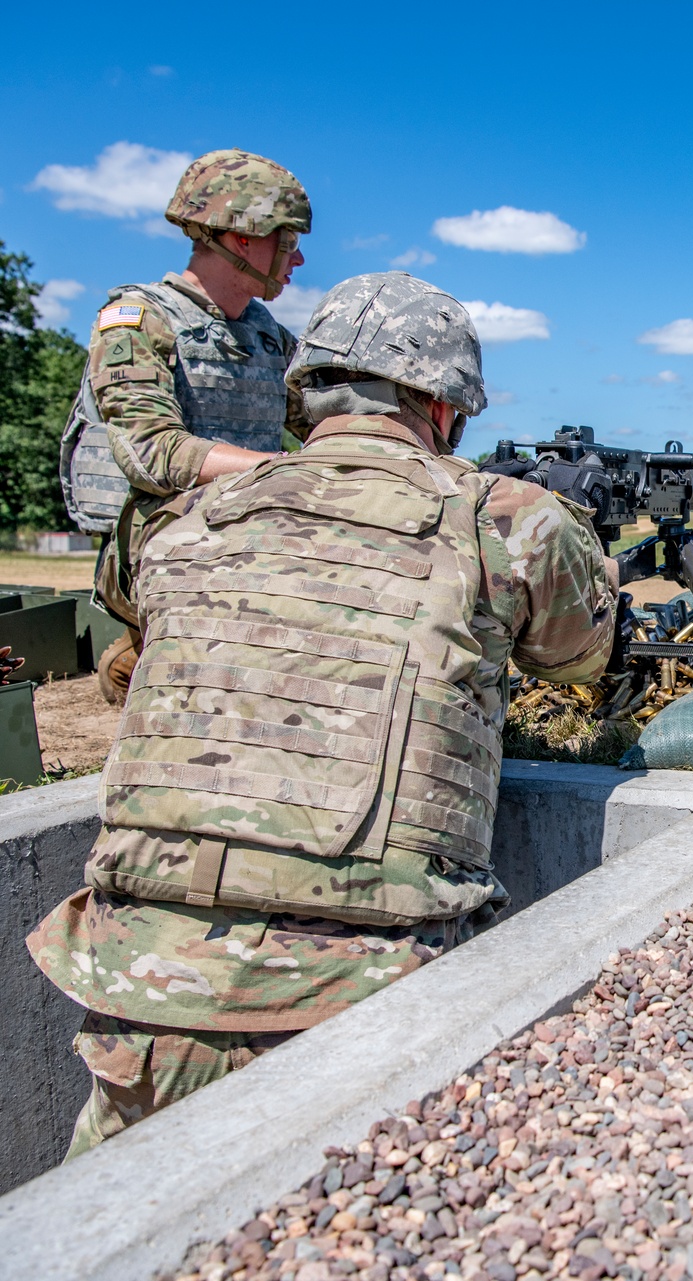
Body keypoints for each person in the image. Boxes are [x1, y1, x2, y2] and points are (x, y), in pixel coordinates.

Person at [28, 271, 619, 1155]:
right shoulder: (500, 515)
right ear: (442, 407)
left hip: (139, 994)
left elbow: (131, 593)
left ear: (307, 393)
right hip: (369, 996)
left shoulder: (187, 515)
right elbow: (581, 654)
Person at [60, 147, 312, 700]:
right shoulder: (136, 319)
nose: (297, 261)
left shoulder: (268, 335)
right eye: (288, 241)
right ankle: (138, 654)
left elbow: (327, 420)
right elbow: (151, 451)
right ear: (243, 236)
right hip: (163, 540)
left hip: (250, 529)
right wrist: (282, 472)